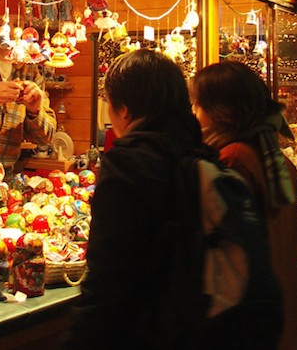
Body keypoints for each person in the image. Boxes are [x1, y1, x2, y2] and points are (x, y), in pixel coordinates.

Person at [65, 50, 211, 348]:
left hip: (147, 332)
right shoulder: (204, 156)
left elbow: (109, 280)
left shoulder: (129, 164)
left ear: (124, 109)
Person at [189, 61, 297, 350]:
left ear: (219, 111)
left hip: (249, 319)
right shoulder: (275, 159)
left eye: (198, 105)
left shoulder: (233, 159)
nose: (194, 114)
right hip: (279, 311)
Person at [0, 15, 56, 173]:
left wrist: (34, 111)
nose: (11, 32)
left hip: (7, 172)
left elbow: (44, 138)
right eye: (1, 23)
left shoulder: (28, 67)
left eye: (18, 25)